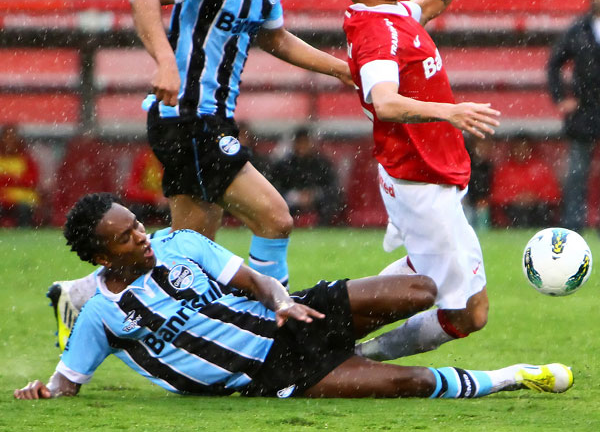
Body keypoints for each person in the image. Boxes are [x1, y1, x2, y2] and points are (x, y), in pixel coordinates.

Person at [47, 0, 352, 348]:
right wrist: (165, 64)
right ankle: (275, 327)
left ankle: (83, 297)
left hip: (207, 118)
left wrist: (337, 68)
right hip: (188, 117)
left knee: (191, 249)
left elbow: (271, 37)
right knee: (275, 218)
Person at [14, 193, 573, 400]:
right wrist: (43, 391)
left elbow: (253, 281)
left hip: (290, 315)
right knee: (415, 384)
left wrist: (280, 300)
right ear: (100, 257)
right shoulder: (101, 319)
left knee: (421, 289)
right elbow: (66, 383)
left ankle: (365, 350)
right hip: (270, 373)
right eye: (126, 237)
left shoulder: (179, 242)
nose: (141, 235)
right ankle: (513, 375)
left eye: (136, 224)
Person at [328, 0, 501, 360]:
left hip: (430, 175)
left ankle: (324, 328)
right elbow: (384, 101)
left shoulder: (389, 15)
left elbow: (430, 2)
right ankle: (358, 358)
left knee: (419, 275)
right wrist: (452, 112)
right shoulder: (374, 34)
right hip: (419, 182)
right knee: (468, 314)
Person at [547, 0, 600, 233]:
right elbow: (554, 63)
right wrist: (561, 97)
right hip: (584, 110)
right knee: (578, 172)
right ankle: (573, 225)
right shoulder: (578, 29)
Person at [272, 127, 344, 226]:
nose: (303, 146)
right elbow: (275, 187)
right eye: (300, 142)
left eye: (306, 142)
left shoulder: (321, 163)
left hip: (317, 200)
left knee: (330, 201)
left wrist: (315, 194)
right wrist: (294, 195)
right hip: (290, 201)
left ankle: (323, 228)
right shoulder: (284, 165)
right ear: (294, 144)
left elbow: (333, 186)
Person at [490, 135, 561, 227]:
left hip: (537, 209)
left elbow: (554, 194)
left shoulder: (541, 168)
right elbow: (496, 195)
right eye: (518, 148)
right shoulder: (503, 170)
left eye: (524, 148)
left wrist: (535, 197)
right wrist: (515, 198)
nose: (521, 151)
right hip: (512, 209)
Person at [0, 125, 40, 227]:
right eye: (7, 137)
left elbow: (32, 180)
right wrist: (16, 179)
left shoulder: (26, 159)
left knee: (24, 211)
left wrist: (8, 179)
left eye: (12, 137)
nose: (9, 141)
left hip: (23, 200)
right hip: (2, 199)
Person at [122, 145, 170, 225]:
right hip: (147, 204)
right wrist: (154, 198)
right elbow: (130, 190)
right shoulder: (144, 159)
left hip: (168, 204)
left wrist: (167, 197)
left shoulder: (171, 161)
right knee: (135, 211)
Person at [463, 136, 494, 230]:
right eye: (480, 145)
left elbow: (490, 185)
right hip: (466, 197)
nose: (482, 149)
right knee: (466, 216)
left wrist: (485, 198)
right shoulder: (467, 162)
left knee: (482, 213)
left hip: (481, 200)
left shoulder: (487, 166)